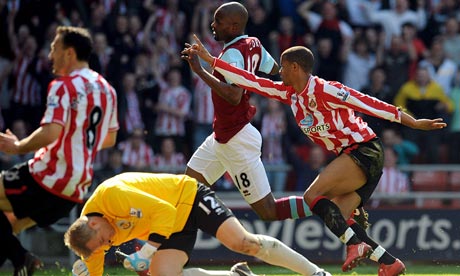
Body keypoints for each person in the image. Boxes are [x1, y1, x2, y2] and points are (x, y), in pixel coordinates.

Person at [182, 36, 447, 276]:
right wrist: (210, 60)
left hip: (364, 150)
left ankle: (356, 245)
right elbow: (252, 81)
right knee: (339, 217)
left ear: (295, 67)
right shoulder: (290, 95)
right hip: (352, 154)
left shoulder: (325, 89)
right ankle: (389, 262)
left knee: (312, 196)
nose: (279, 72)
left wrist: (411, 122)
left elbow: (365, 102)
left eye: (283, 67)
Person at [0, 26, 118, 275]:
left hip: (47, 176)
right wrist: (77, 142)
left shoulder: (63, 85)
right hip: (73, 191)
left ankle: (22, 257)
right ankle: (21, 259)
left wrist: (18, 146)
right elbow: (109, 138)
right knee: (6, 228)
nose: (50, 54)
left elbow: (52, 132)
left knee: (8, 237)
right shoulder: (107, 90)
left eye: (54, 48)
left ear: (69, 53)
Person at [183, 1, 311, 222]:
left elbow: (234, 95)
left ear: (233, 27)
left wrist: (200, 71)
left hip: (237, 139)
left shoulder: (232, 54)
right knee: (186, 192)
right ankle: (156, 250)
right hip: (222, 136)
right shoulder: (253, 43)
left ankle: (326, 205)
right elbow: (273, 69)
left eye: (218, 21)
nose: (213, 25)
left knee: (268, 211)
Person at [64, 172, 332, 276]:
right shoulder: (91, 237)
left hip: (188, 198)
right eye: (101, 246)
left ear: (95, 225)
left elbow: (165, 211)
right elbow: (95, 265)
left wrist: (145, 253)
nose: (108, 245)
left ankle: (316, 273)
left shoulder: (113, 196)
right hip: (166, 226)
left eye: (103, 241)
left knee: (243, 243)